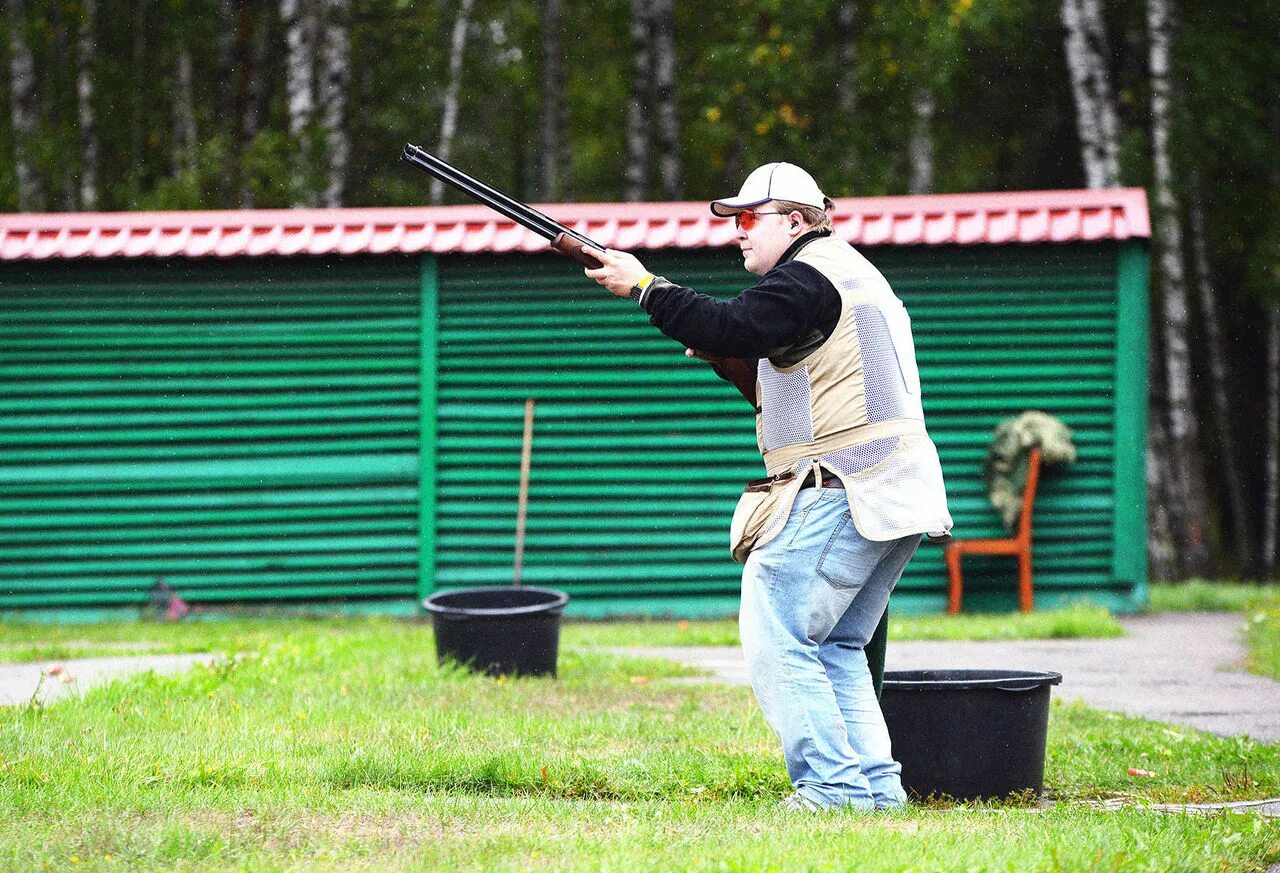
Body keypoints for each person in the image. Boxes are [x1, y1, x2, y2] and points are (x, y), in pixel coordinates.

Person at [583, 162, 952, 812]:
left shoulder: (806, 276)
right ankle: (873, 790)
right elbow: (794, 375)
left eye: (750, 218)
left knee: (776, 626)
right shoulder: (843, 273)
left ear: (796, 219)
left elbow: (729, 324)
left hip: (847, 486)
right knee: (835, 643)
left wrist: (642, 286)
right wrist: (733, 364)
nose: (738, 232)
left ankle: (831, 788)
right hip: (892, 488)